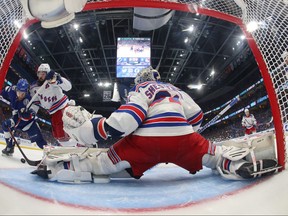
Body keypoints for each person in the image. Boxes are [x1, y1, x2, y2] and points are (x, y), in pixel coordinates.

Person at [33, 67, 278, 183]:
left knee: (104, 163)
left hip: (146, 143)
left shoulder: (141, 89)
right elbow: (197, 118)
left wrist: (97, 128)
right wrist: (182, 134)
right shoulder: (174, 89)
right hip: (183, 139)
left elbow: (131, 117)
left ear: (139, 81)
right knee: (212, 155)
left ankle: (62, 166)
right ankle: (232, 163)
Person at [30, 63, 78, 147]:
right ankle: (69, 149)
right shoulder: (34, 87)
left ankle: (75, 148)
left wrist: (58, 79)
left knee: (64, 134)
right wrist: (32, 111)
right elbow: (35, 102)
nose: (41, 76)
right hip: (53, 112)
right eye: (39, 73)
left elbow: (68, 87)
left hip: (63, 108)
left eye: (43, 74)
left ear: (48, 73)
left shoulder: (53, 80)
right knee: (58, 135)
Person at [0, 78, 46, 156]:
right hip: (16, 118)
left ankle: (49, 154)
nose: (20, 95)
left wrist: (27, 114)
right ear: (16, 89)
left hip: (29, 123)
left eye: (23, 94)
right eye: (18, 92)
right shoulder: (11, 90)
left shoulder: (30, 99)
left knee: (39, 140)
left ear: (26, 92)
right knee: (5, 125)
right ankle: (9, 147)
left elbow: (32, 115)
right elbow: (3, 91)